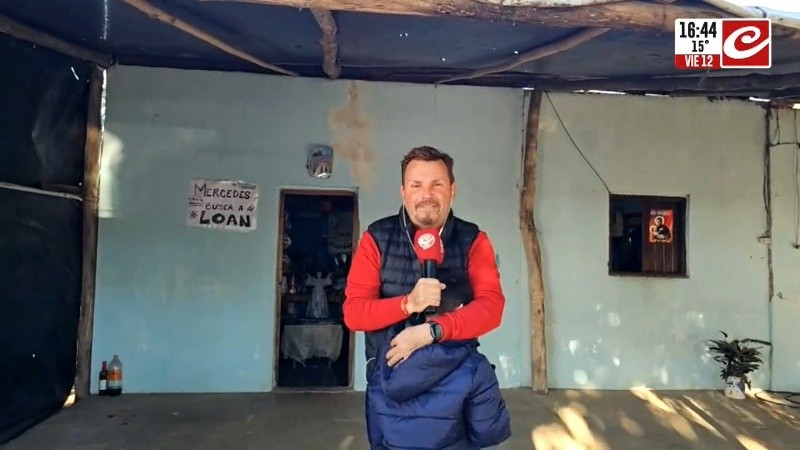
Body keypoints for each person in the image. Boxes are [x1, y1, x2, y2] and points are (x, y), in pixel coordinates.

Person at [343, 145, 509, 449]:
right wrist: (409, 303)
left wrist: (432, 331)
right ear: (404, 192)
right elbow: (354, 313)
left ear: (452, 190)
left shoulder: (474, 239)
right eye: (416, 185)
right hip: (391, 386)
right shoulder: (375, 238)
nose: (426, 194)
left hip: (454, 386)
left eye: (437, 184)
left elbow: (492, 307)